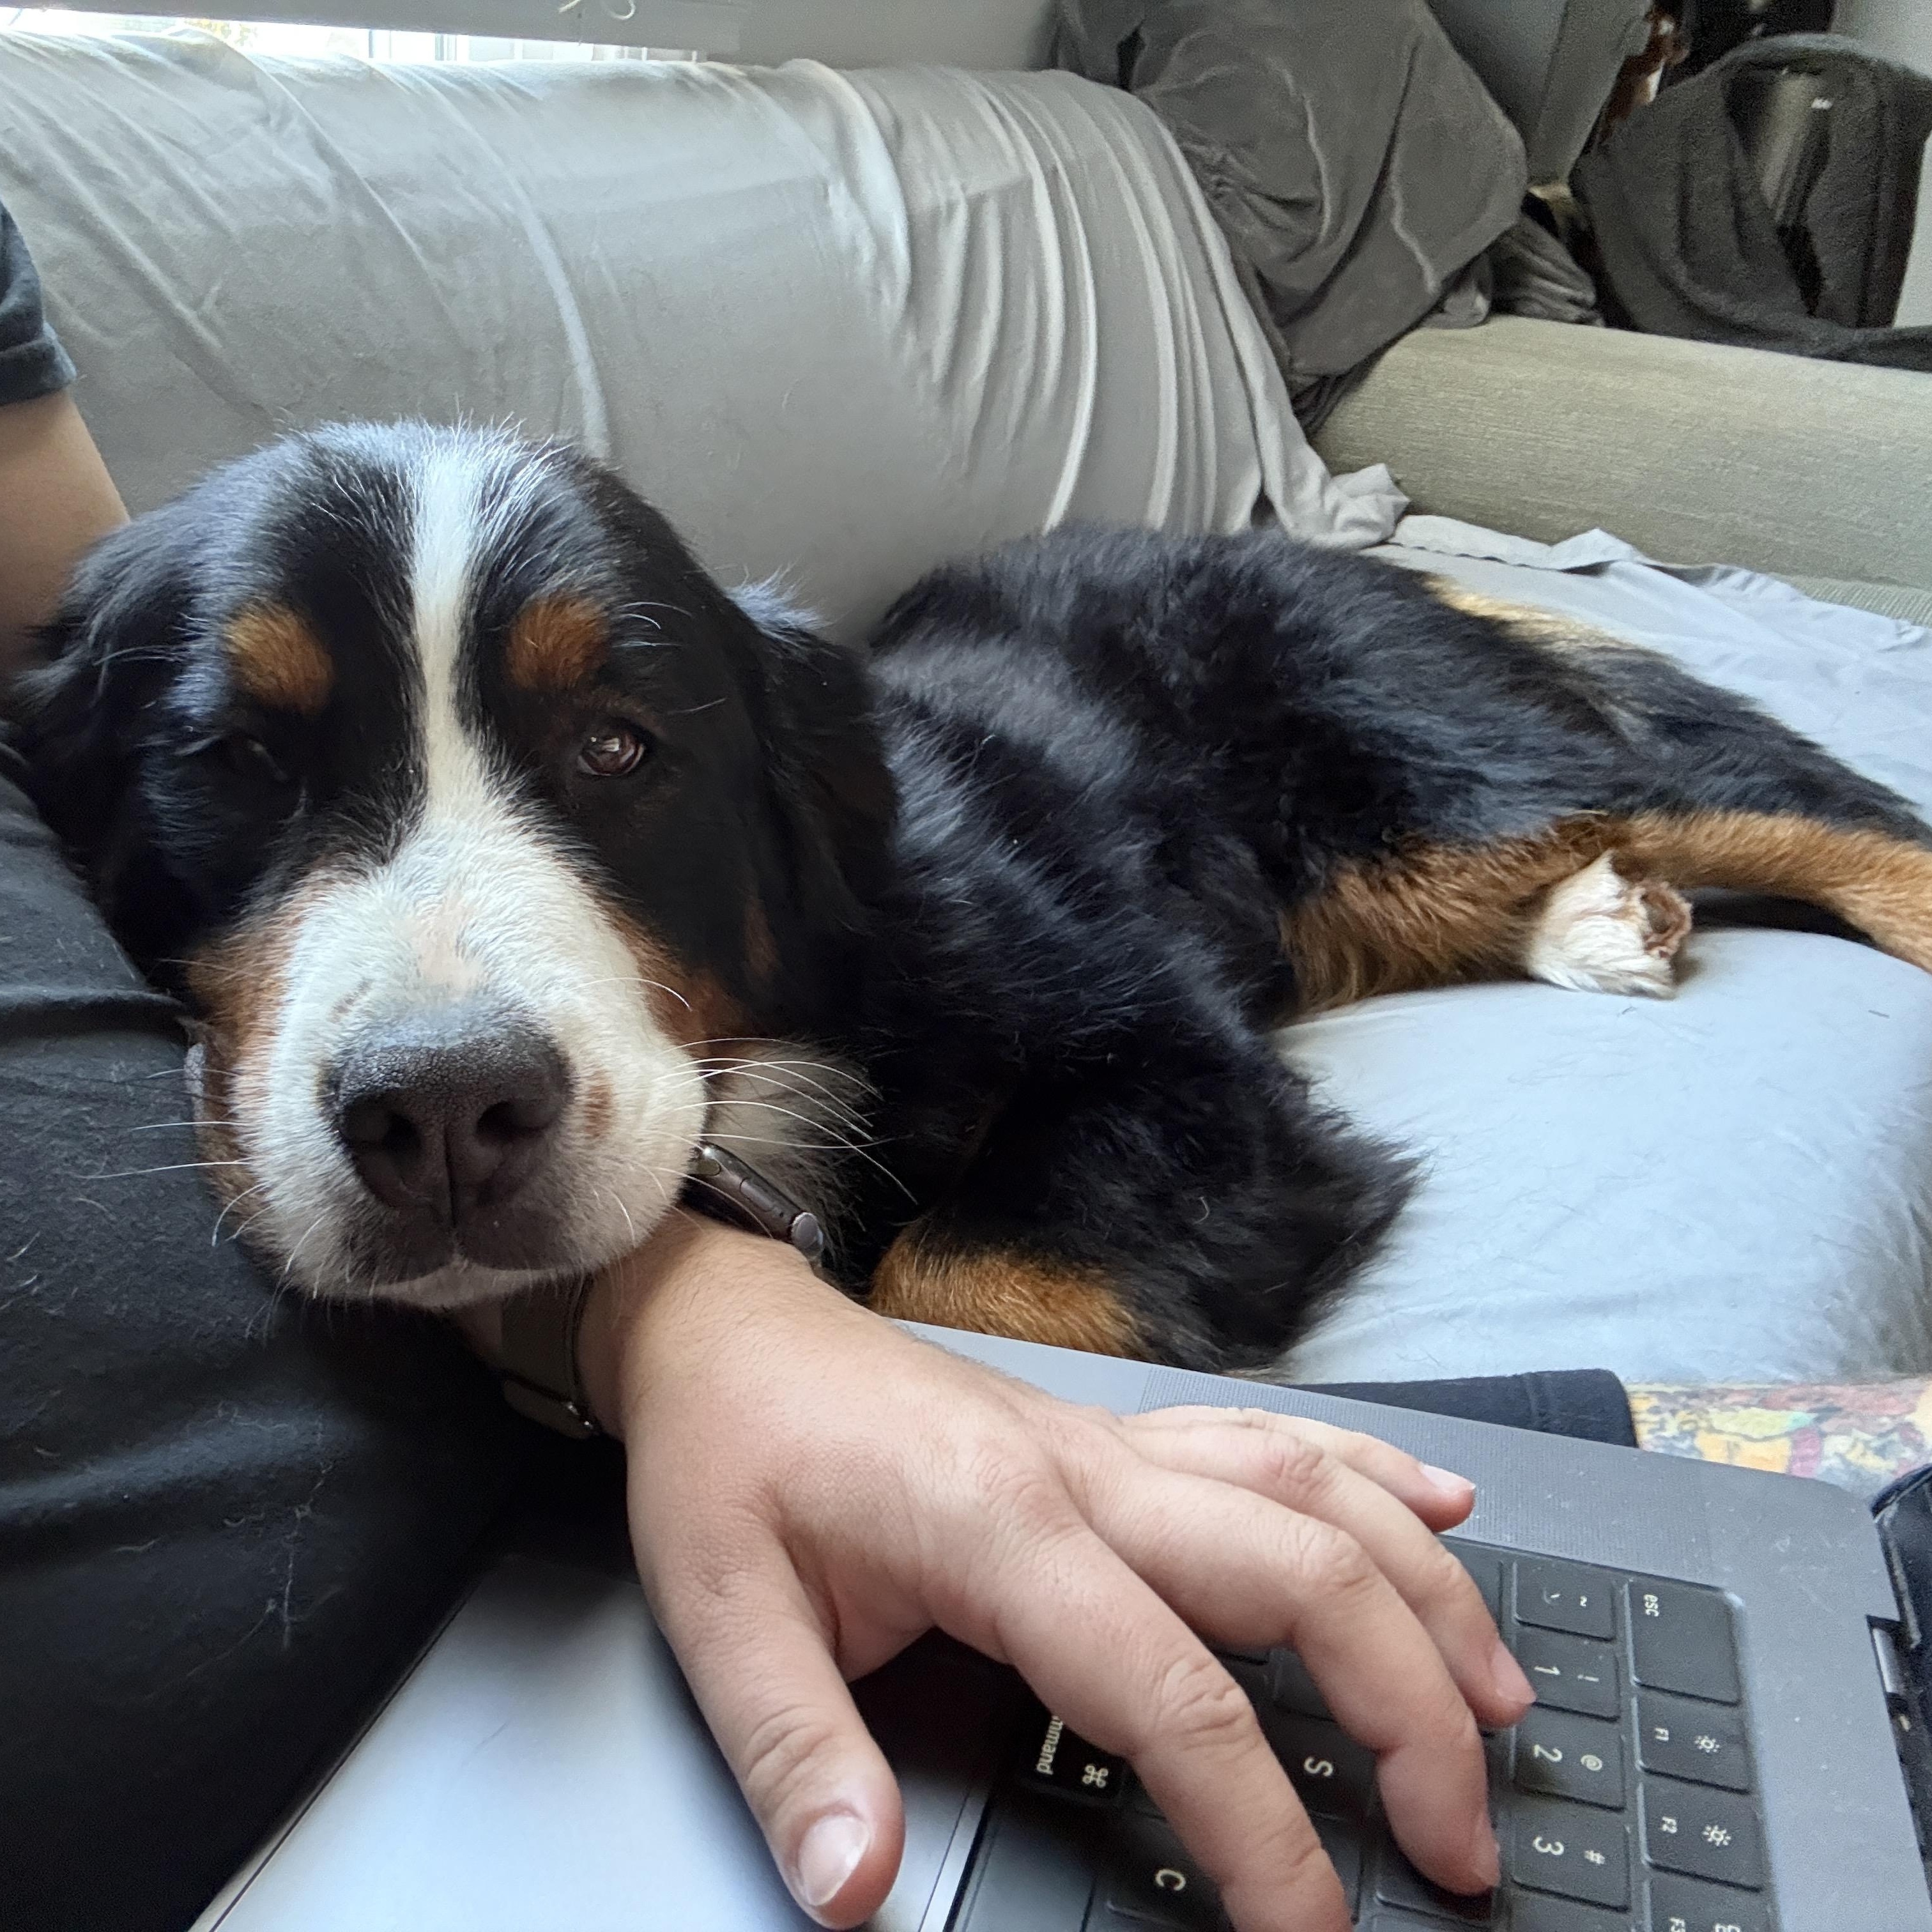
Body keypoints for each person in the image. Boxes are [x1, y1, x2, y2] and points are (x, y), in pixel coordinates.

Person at [8, 188, 1915, 1932]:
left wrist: (944, 1344)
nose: (434, 1027)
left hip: (1197, 669)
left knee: (1674, 835)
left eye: (613, 753)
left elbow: (1212, 1119)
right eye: (250, 760)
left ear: (793, 819)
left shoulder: (924, 935)